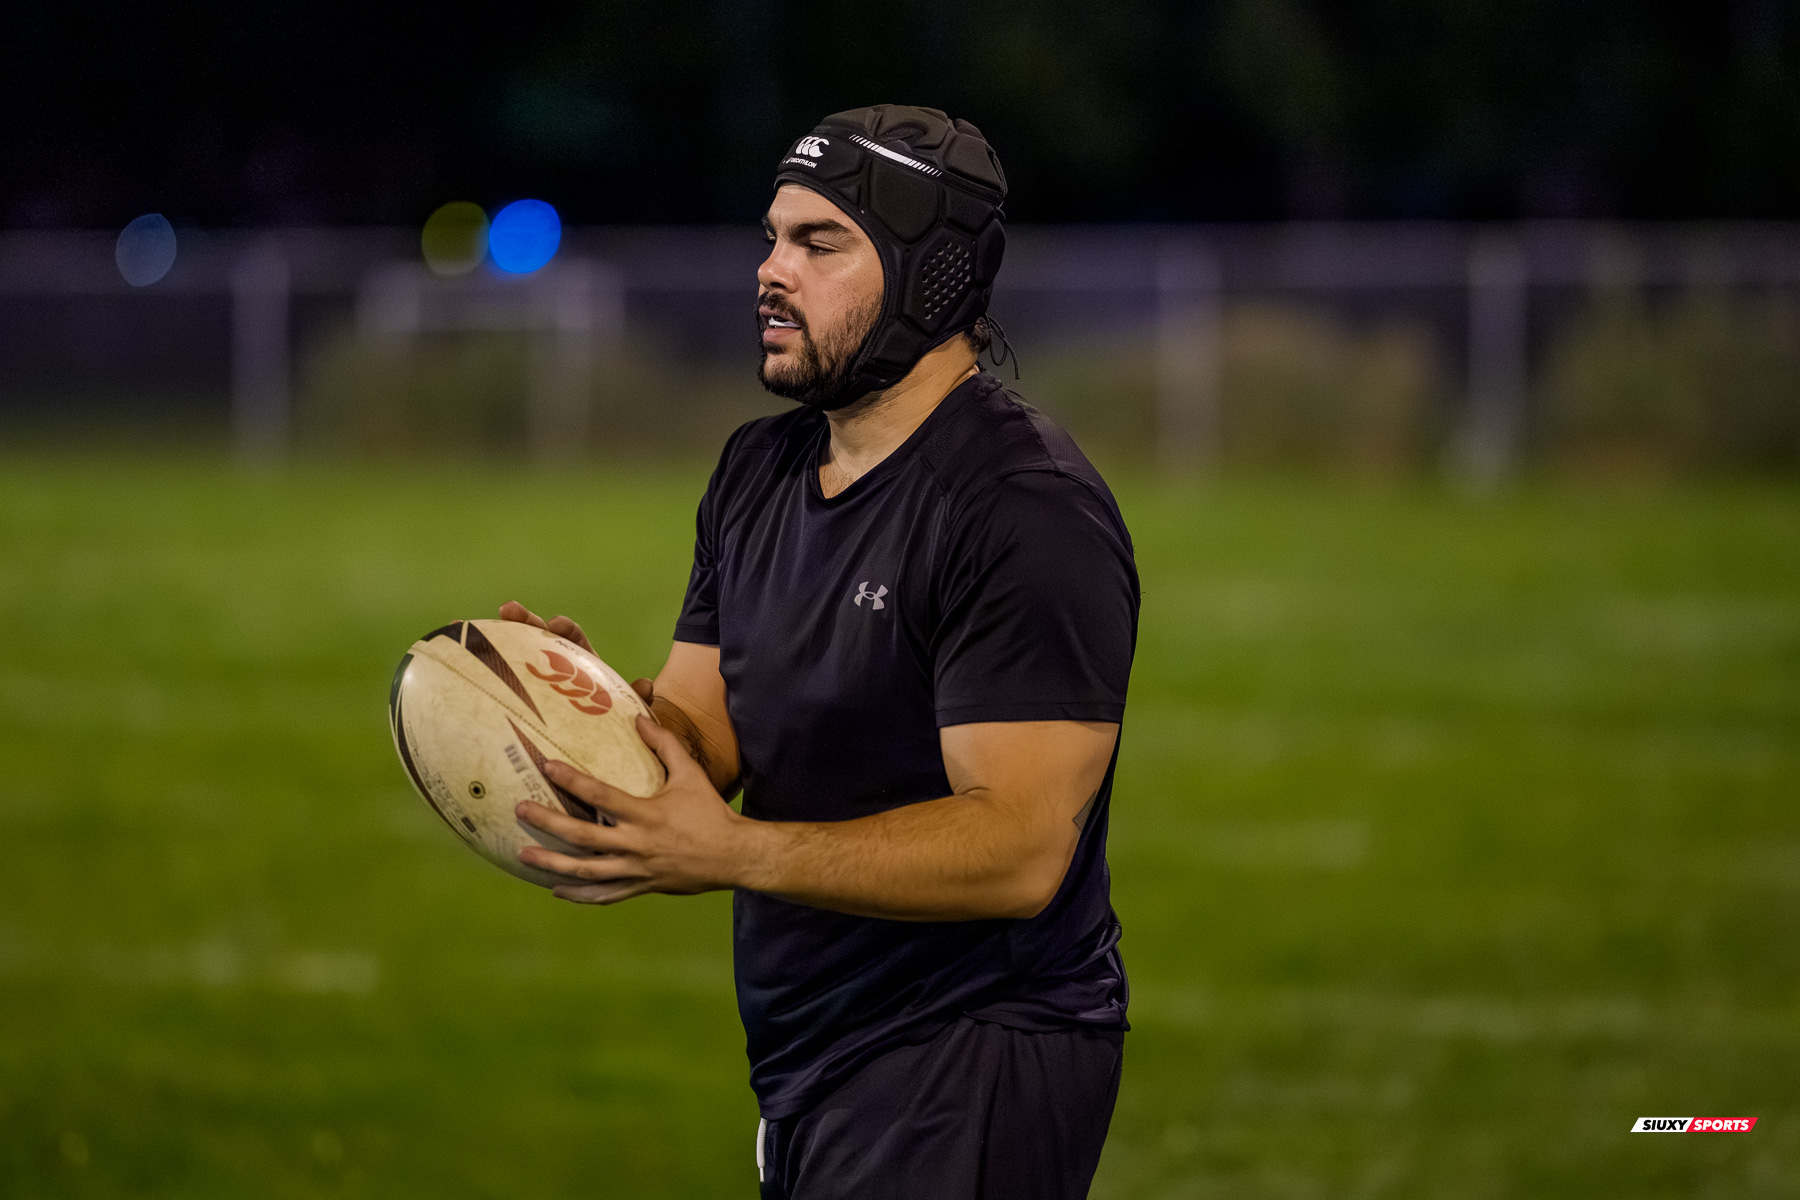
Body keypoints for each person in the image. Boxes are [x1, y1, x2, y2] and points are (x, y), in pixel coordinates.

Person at [499, 104, 1138, 1200]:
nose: (770, 269)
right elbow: (709, 735)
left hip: (973, 1052)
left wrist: (739, 855)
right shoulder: (758, 470)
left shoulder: (1022, 508)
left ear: (929, 275)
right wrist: (602, 713)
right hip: (814, 1058)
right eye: (771, 235)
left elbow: (1022, 847)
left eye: (818, 242)